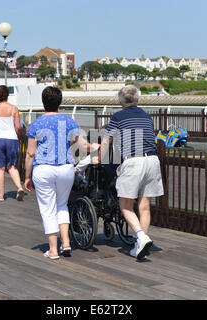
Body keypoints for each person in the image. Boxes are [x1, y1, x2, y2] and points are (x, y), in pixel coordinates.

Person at [24, 86, 95, 260]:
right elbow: (83, 145)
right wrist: (97, 148)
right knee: (62, 205)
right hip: (65, 169)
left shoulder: (37, 123)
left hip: (43, 169)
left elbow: (30, 153)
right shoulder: (68, 121)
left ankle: (53, 250)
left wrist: (27, 176)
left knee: (48, 209)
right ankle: (66, 243)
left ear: (43, 102)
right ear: (60, 102)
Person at [100, 85, 164, 260]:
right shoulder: (146, 116)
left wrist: (101, 159)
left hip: (133, 161)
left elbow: (106, 141)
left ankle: (142, 237)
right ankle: (139, 244)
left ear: (120, 101)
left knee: (125, 205)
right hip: (152, 160)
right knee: (144, 205)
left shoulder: (118, 116)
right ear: (138, 100)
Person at [0, 85, 24, 202]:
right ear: (7, 95)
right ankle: (19, 187)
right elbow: (18, 127)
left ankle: (1, 195)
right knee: (12, 166)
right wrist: (18, 136)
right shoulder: (14, 109)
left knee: (0, 168)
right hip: (12, 139)